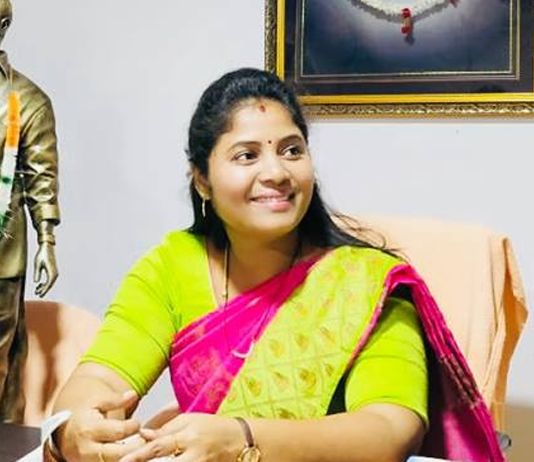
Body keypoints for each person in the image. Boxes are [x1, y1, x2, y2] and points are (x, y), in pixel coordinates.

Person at [48, 68, 503, 462]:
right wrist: (73, 429)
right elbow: (100, 375)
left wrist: (243, 439)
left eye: (291, 150)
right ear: (202, 180)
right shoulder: (172, 265)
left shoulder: (365, 283)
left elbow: (390, 429)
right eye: (247, 155)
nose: (277, 173)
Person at [0, 0, 60, 423]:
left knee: (1, 355)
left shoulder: (28, 101)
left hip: (2, 249)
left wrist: (47, 241)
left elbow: (41, 175)